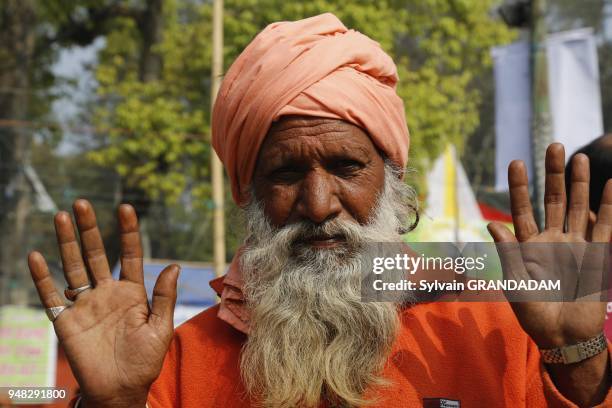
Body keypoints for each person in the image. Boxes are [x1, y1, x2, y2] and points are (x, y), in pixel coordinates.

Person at [27, 13, 611, 408]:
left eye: (347, 167)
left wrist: (578, 360)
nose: (319, 203)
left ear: (392, 178)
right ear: (247, 190)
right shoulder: (179, 365)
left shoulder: (490, 331)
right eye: (285, 173)